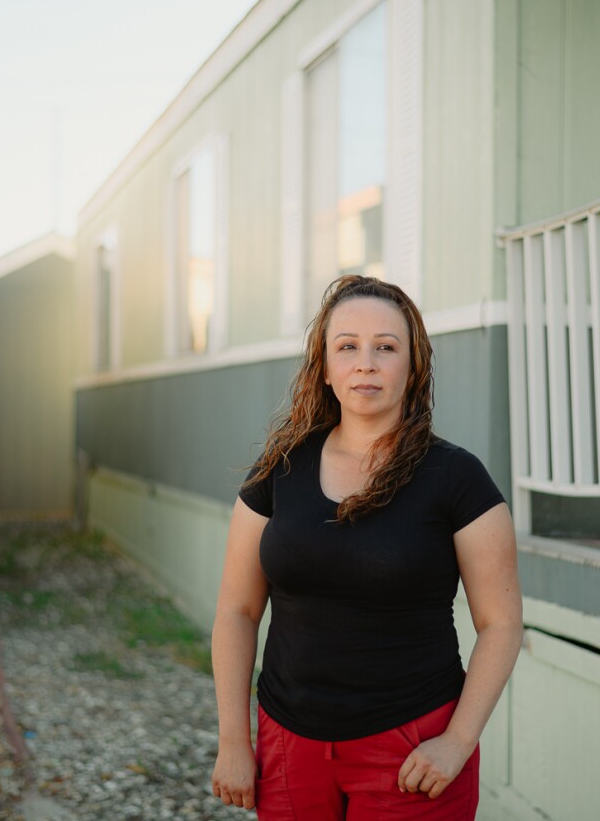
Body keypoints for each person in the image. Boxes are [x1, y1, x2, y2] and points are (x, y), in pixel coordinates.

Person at [210, 275, 522, 820]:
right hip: (289, 744)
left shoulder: (457, 477)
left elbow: (501, 624)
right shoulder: (280, 471)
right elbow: (237, 611)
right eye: (347, 346)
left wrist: (457, 742)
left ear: (413, 365)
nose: (366, 362)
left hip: (411, 749)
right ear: (325, 369)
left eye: (387, 347)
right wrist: (235, 740)